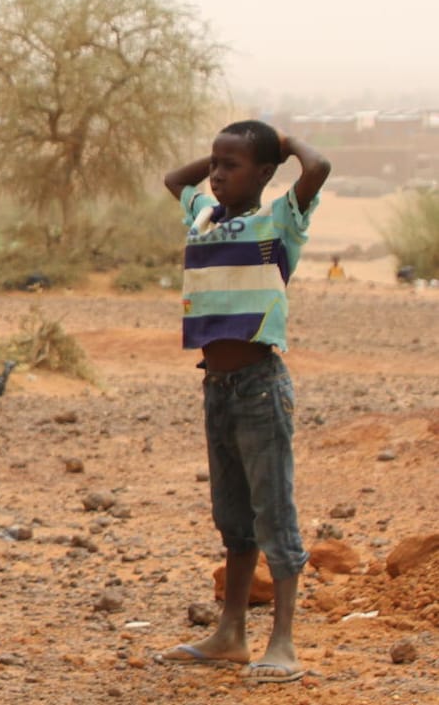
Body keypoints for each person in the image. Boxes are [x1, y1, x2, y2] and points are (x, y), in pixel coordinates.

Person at [156, 120, 331, 684]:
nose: (215, 174)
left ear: (264, 174)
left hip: (259, 385)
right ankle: (230, 633)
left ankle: (282, 642)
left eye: (232, 166)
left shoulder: (279, 221)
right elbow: (172, 178)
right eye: (214, 163)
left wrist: (281, 145)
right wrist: (221, 154)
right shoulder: (204, 215)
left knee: (273, 513)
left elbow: (318, 168)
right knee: (233, 519)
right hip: (217, 387)